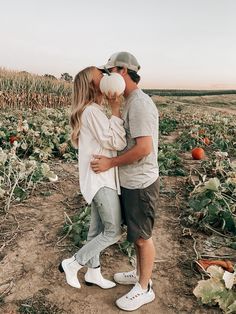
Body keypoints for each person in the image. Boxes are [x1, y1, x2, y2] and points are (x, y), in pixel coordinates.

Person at [91, 52, 159, 311]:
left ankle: (144, 287)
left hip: (140, 182)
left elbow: (143, 148)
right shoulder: (127, 100)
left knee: (142, 237)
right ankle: (140, 272)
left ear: (122, 71)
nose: (107, 78)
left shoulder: (140, 104)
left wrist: (110, 163)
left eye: (110, 73)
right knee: (136, 233)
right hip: (130, 180)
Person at [59, 66, 127, 290]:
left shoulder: (92, 110)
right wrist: (116, 110)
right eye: (101, 77)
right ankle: (73, 263)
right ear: (91, 85)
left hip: (98, 180)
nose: (107, 78)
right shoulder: (92, 112)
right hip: (102, 181)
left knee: (96, 231)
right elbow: (117, 143)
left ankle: (93, 273)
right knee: (113, 232)